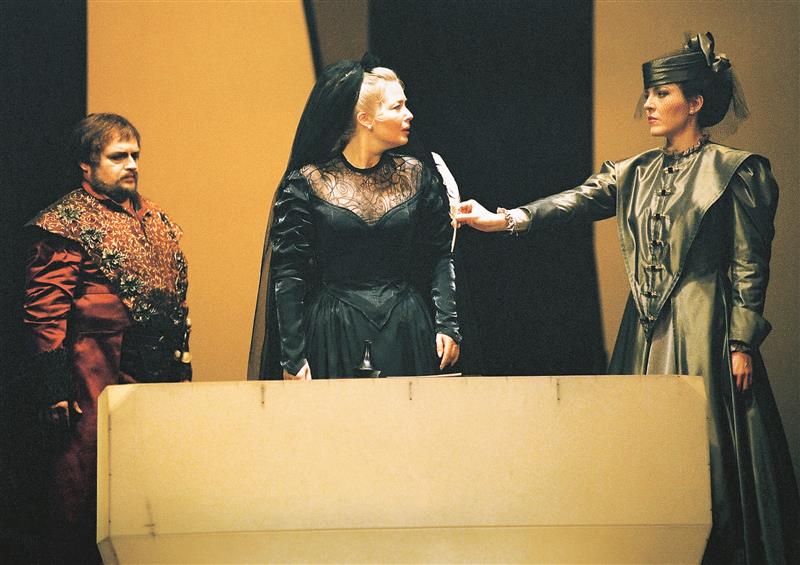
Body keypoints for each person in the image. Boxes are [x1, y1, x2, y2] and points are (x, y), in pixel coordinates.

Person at [456, 33, 799, 564]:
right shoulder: (634, 171)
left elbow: (749, 261)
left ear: (695, 102)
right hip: (643, 328)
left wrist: (741, 341)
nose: (649, 104)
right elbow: (574, 202)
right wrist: (505, 219)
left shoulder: (736, 170)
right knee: (640, 448)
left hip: (705, 325)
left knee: (706, 447)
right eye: (649, 93)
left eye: (662, 93)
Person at [21, 113, 192, 564]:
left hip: (153, 369)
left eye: (135, 155)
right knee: (86, 479)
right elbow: (46, 311)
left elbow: (173, 296)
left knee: (149, 480)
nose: (131, 164)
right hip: (94, 369)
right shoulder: (65, 223)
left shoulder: (153, 216)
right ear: (87, 164)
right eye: (118, 157)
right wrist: (54, 387)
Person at [248, 56, 460, 380]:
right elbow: (289, 272)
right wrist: (292, 357)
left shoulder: (416, 175)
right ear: (365, 119)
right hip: (334, 330)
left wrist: (447, 323)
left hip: (405, 326)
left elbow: (439, 254)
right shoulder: (308, 182)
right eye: (397, 107)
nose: (409, 114)